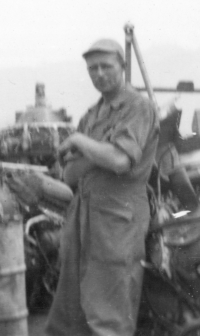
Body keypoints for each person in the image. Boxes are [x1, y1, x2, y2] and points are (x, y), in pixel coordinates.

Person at [45, 39, 159, 336]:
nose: (99, 74)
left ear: (122, 66)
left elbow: (121, 160)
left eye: (106, 66)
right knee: (71, 314)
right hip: (82, 218)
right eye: (92, 68)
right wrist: (99, 155)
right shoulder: (91, 116)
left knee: (109, 315)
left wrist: (82, 144)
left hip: (118, 220)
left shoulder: (138, 108)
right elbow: (69, 174)